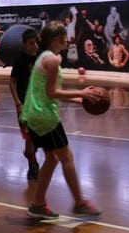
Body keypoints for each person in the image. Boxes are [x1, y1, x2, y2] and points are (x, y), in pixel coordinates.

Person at [19, 21, 102, 219]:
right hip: (44, 116)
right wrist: (81, 92)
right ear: (57, 39)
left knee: (52, 158)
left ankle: (38, 205)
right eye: (65, 35)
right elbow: (52, 92)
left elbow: (49, 93)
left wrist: (78, 100)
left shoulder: (45, 57)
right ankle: (80, 203)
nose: (68, 38)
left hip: (34, 114)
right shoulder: (53, 60)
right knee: (67, 158)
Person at [9, 28, 40, 181]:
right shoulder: (20, 61)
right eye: (31, 43)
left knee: (34, 139)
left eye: (36, 42)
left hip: (39, 105)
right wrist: (17, 103)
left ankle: (32, 159)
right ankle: (33, 165)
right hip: (24, 106)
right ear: (24, 44)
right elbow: (12, 82)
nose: (35, 46)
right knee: (29, 138)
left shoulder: (41, 58)